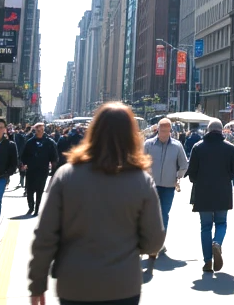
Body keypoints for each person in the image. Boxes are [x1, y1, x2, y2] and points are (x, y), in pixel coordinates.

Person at [28, 102, 164, 305]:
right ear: (132, 135)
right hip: (123, 285)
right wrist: (126, 246)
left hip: (74, 284)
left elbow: (45, 235)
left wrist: (37, 283)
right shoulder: (141, 180)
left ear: (93, 131)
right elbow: (154, 241)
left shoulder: (66, 175)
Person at [187, 119, 234, 273]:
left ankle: (208, 261)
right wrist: (226, 177)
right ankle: (217, 242)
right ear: (222, 130)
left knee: (205, 226)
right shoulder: (229, 148)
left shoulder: (198, 147)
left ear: (208, 131)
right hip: (223, 191)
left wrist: (199, 180)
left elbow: (192, 173)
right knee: (221, 223)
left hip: (203, 191)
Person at [143, 117, 187, 259]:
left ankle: (159, 243)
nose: (164, 134)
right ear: (158, 130)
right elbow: (140, 162)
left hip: (168, 186)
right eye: (162, 130)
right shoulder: (148, 144)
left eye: (167, 131)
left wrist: (177, 176)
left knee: (164, 215)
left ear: (170, 131)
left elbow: (184, 164)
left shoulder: (177, 146)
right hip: (151, 186)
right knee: (150, 214)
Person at [20, 123, 59, 217]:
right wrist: (23, 164)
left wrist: (53, 168)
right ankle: (31, 206)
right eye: (38, 129)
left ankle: (37, 208)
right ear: (35, 130)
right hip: (31, 169)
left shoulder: (49, 142)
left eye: (41, 129)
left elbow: (54, 156)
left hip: (43, 170)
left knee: (40, 189)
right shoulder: (30, 142)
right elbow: (24, 155)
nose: (40, 131)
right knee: (29, 189)